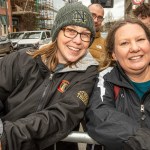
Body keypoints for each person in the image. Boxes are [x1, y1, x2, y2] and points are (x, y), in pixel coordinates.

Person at [0, 2, 98, 150]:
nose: (77, 40)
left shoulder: (87, 73)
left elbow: (63, 115)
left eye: (85, 34)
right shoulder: (20, 59)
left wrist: (8, 137)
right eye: (70, 30)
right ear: (56, 32)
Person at [86, 17, 150, 150]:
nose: (134, 48)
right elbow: (100, 113)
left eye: (140, 40)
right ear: (114, 54)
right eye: (124, 43)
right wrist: (143, 140)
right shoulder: (105, 78)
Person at [88, 3, 109, 70]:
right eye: (92, 15)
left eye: (100, 18)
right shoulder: (72, 38)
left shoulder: (106, 44)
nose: (96, 20)